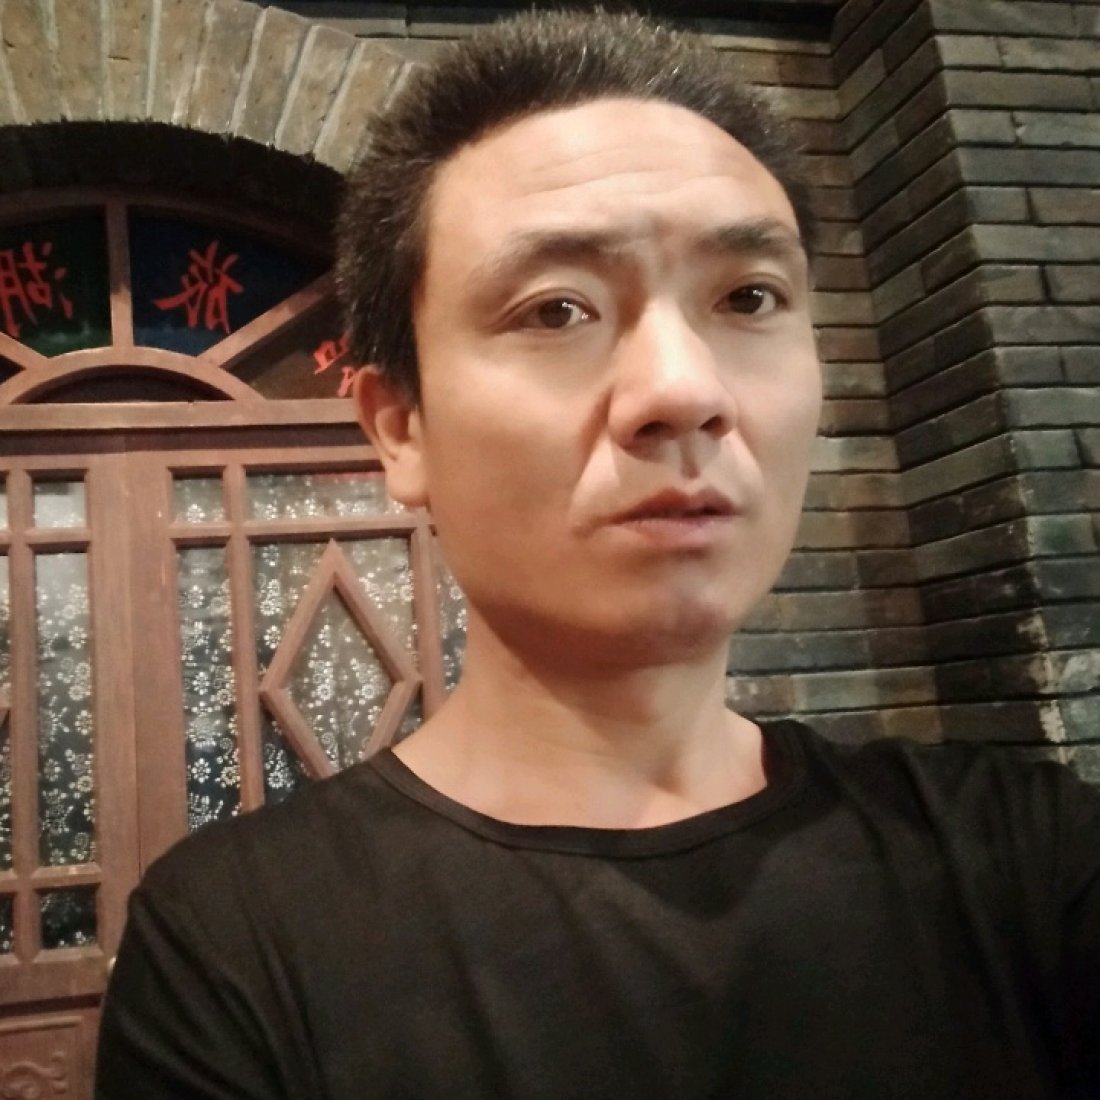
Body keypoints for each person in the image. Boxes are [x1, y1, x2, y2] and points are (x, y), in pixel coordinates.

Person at [95, 10, 1100, 1099]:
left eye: (747, 297)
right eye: (557, 309)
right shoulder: (235, 950)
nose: (684, 389)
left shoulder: (1030, 859)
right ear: (401, 429)